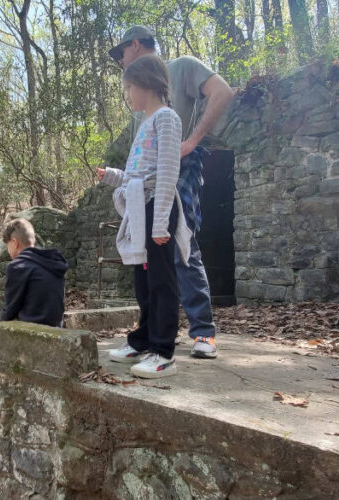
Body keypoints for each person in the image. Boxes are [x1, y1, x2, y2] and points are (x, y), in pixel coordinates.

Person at [108, 25, 237, 359]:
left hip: (178, 171)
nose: (121, 63)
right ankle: (151, 334)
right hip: (145, 188)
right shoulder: (142, 107)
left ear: (135, 46)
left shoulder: (182, 67)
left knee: (182, 245)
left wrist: (191, 142)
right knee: (148, 262)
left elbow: (222, 91)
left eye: (120, 54)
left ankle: (202, 333)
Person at [97, 54, 191, 379]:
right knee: (143, 280)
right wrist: (111, 175)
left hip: (156, 208)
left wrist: (162, 220)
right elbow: (135, 176)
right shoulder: (145, 123)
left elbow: (167, 172)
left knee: (162, 280)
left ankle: (163, 352)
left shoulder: (167, 119)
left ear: (147, 84)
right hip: (141, 208)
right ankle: (142, 341)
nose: (128, 95)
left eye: (130, 88)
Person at [0, 218, 68, 347]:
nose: (8, 250)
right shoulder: (54, 262)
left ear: (14, 242)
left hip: (32, 338)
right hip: (56, 331)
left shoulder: (19, 266)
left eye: (7, 245)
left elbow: (9, 310)